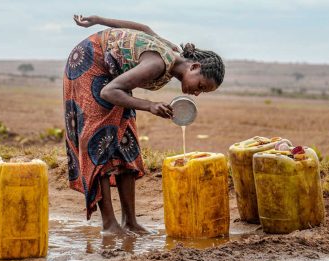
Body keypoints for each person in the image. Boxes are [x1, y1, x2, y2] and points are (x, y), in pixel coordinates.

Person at [63, 14, 225, 235]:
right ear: (195, 66)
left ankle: (130, 221)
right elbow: (108, 92)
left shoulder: (171, 54)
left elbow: (143, 28)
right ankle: (110, 225)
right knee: (99, 140)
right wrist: (149, 105)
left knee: (126, 142)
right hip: (91, 64)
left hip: (114, 76)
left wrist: (99, 20)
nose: (196, 93)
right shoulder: (158, 64)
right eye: (201, 86)